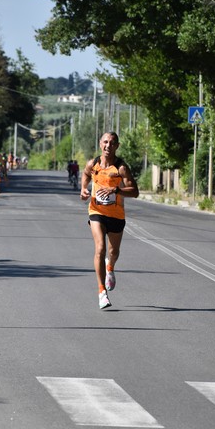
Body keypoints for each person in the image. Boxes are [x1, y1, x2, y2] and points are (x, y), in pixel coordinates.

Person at [80, 131, 139, 309]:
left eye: (112, 143)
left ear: (117, 146)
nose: (108, 146)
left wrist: (117, 191)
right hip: (96, 210)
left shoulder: (121, 168)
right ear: (100, 144)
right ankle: (101, 292)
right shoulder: (93, 164)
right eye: (105, 142)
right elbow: (85, 174)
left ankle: (110, 267)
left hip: (116, 215)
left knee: (113, 252)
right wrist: (83, 189)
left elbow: (135, 192)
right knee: (100, 248)